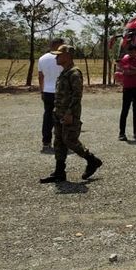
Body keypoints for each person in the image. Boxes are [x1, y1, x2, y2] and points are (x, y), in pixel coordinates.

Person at [39, 45, 103, 183]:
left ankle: (92, 160)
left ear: (67, 56)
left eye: (59, 55)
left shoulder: (74, 73)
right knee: (59, 142)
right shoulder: (64, 72)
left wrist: (69, 113)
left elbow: (77, 95)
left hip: (69, 113)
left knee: (70, 140)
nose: (56, 58)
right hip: (59, 113)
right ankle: (59, 172)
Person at [37, 37, 65, 152]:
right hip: (61, 91)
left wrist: (42, 90)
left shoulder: (42, 58)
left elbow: (40, 76)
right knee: (62, 117)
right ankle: (61, 142)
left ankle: (46, 142)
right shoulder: (62, 58)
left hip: (47, 91)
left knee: (48, 117)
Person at [118, 44, 136, 141]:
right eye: (129, 52)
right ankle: (122, 133)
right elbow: (126, 72)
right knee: (125, 110)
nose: (131, 53)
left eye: (133, 51)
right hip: (128, 88)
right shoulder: (125, 60)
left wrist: (134, 69)